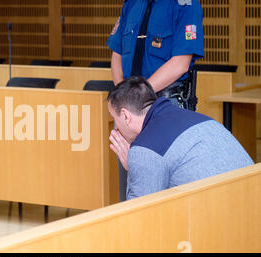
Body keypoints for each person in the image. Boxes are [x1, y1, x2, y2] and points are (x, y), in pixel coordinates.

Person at [106, 0, 205, 201]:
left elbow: (180, 63)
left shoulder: (185, 4)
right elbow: (116, 55)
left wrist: (136, 94)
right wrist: (124, 96)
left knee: (164, 188)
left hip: (165, 105)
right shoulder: (131, 4)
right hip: (129, 107)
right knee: (130, 181)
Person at [107, 77, 254, 200]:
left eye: (115, 118)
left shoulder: (146, 148)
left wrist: (132, 166)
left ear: (126, 116)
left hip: (224, 220)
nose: (115, 128)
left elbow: (139, 214)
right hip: (250, 199)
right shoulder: (197, 118)